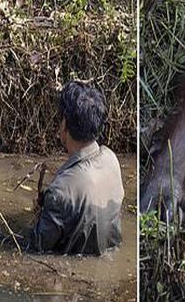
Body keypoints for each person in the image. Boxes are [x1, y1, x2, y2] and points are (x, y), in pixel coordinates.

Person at [29, 81, 124, 255]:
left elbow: (39, 246)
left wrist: (37, 217)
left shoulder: (60, 191)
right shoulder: (111, 159)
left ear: (64, 124)